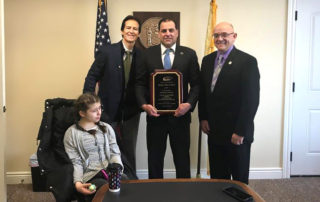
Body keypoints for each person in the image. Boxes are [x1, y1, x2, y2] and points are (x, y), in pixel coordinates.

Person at [135, 18, 200, 179]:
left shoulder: (189, 54)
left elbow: (197, 85)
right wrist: (144, 105)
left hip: (181, 117)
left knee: (182, 158)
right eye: (164, 31)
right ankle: (155, 194)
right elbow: (139, 84)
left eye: (171, 30)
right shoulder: (146, 54)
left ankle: (184, 194)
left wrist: (189, 104)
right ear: (158, 34)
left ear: (177, 32)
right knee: (155, 159)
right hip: (155, 117)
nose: (168, 34)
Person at [198, 22, 260, 184]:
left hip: (236, 133)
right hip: (214, 131)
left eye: (224, 34)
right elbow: (204, 93)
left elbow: (251, 100)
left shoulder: (247, 62)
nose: (220, 39)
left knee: (239, 180)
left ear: (234, 36)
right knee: (218, 179)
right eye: (216, 35)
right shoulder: (207, 60)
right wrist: (203, 118)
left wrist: (240, 131)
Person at [83, 15, 141, 172]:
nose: (131, 31)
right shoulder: (107, 52)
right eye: (128, 28)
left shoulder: (142, 56)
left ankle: (130, 183)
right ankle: (108, 185)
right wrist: (88, 104)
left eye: (135, 29)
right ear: (122, 31)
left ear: (139, 34)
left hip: (131, 113)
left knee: (129, 151)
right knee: (106, 149)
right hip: (107, 111)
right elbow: (92, 76)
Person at [63, 93, 123, 201]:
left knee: (127, 184)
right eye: (94, 110)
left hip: (110, 170)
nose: (99, 113)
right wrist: (78, 184)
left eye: (100, 108)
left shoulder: (107, 128)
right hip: (90, 176)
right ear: (82, 113)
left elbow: (114, 152)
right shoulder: (71, 134)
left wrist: (117, 168)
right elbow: (76, 162)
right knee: (105, 189)